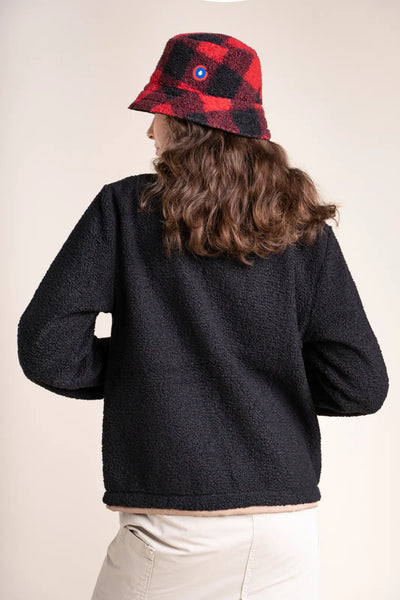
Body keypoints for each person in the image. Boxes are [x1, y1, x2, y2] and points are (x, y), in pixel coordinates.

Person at [17, 32, 389, 600]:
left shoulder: (126, 208)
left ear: (183, 123)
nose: (149, 131)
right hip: (284, 530)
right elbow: (359, 383)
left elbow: (48, 347)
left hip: (172, 526)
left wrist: (156, 370)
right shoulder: (300, 223)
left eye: (158, 114)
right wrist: (256, 376)